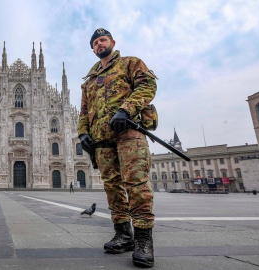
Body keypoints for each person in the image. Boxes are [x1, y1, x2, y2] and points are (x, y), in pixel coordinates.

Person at [78, 28, 157, 268]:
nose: (99, 44)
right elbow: (83, 111)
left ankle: (143, 242)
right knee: (112, 188)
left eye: (102, 40)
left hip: (128, 134)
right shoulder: (89, 80)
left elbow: (147, 87)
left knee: (136, 184)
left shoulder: (130, 63)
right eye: (95, 43)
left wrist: (127, 109)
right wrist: (82, 132)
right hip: (101, 140)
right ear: (92, 48)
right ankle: (123, 235)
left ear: (112, 42)